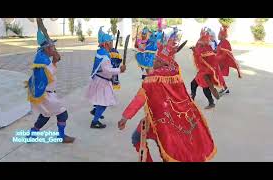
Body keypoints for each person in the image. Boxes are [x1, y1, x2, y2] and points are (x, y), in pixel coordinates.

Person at [118, 33, 216, 162]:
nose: (153, 61)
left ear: (162, 62)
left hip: (159, 119)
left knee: (139, 139)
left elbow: (139, 99)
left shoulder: (152, 80)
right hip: (174, 119)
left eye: (156, 59)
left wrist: (125, 117)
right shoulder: (175, 73)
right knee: (165, 148)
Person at [25, 29, 75, 143]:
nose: (54, 49)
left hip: (44, 93)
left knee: (45, 115)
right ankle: (61, 136)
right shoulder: (43, 60)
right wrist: (54, 62)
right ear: (47, 48)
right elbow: (46, 76)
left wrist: (53, 62)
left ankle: (32, 135)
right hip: (45, 94)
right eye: (52, 47)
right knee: (62, 114)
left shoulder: (42, 57)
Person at [86, 26, 126, 129]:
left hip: (100, 80)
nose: (112, 44)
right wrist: (119, 70)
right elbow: (107, 70)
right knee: (104, 102)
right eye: (111, 42)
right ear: (106, 43)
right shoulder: (104, 55)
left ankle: (96, 111)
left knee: (102, 100)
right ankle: (95, 122)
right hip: (102, 82)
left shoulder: (101, 52)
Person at [190, 29, 223, 109]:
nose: (200, 42)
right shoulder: (204, 46)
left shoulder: (207, 48)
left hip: (205, 72)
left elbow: (201, 55)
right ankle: (192, 97)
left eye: (202, 40)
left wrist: (195, 50)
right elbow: (199, 54)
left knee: (205, 88)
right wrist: (194, 50)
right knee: (194, 83)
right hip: (203, 71)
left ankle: (211, 102)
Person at [216, 25, 242, 95]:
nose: (218, 36)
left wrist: (216, 58)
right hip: (219, 62)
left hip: (222, 62)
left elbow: (224, 54)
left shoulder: (225, 42)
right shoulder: (221, 42)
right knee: (218, 75)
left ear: (223, 36)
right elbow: (218, 51)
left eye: (219, 35)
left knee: (218, 75)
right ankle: (225, 88)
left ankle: (225, 88)